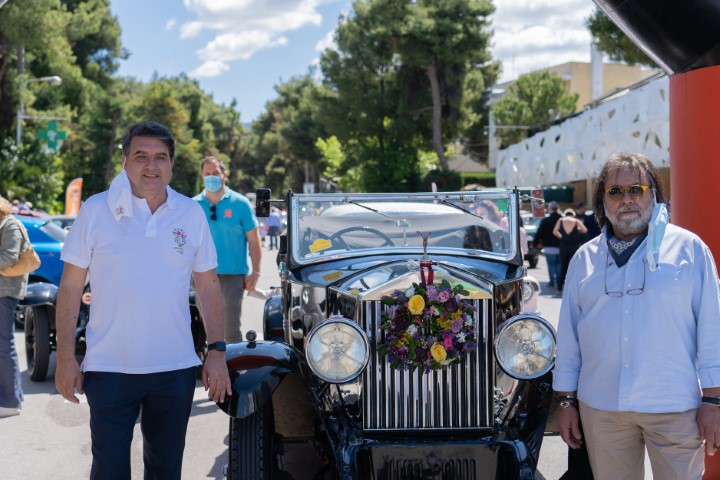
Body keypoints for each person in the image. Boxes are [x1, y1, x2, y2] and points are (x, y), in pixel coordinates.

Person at [55, 121, 232, 479]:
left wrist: (216, 351)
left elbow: (208, 285)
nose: (151, 166)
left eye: (160, 157)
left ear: (171, 165)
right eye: (141, 156)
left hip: (174, 369)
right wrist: (64, 358)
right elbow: (71, 287)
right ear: (124, 161)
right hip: (109, 369)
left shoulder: (190, 213)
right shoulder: (95, 209)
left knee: (166, 471)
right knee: (109, 471)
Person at [554, 152, 720, 480]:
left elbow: (712, 330)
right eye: (615, 191)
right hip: (603, 408)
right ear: (602, 201)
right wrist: (565, 403)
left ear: (654, 195)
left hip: (674, 406)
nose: (626, 199)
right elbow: (570, 338)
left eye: (636, 189)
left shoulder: (689, 250)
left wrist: (714, 403)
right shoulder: (584, 259)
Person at [193, 155, 262, 343]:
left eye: (215, 172)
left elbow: (254, 241)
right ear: (202, 175)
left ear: (225, 174)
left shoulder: (241, 204)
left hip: (232, 277)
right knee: (209, 332)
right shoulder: (193, 206)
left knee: (230, 331)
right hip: (202, 276)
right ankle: (211, 361)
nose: (211, 177)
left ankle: (233, 362)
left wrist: (255, 273)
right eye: (207, 173)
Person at [0, 197, 28, 418]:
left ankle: (10, 402)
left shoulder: (10, 225)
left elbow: (9, 257)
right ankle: (13, 397)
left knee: (4, 346)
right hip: (4, 291)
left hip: (6, 292)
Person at [553, 209, 587, 291]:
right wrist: (577, 230)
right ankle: (572, 286)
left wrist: (561, 236)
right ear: (573, 215)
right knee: (573, 266)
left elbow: (554, 231)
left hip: (563, 246)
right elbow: (585, 230)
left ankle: (559, 287)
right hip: (573, 246)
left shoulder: (561, 220)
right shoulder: (576, 221)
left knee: (563, 266)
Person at [533, 201, 563, 288]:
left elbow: (539, 234)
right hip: (561, 247)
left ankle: (552, 282)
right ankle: (559, 281)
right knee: (559, 265)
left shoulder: (545, 221)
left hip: (549, 247)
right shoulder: (562, 220)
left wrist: (534, 244)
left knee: (551, 265)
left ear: (549, 209)